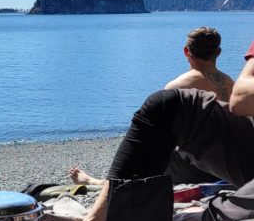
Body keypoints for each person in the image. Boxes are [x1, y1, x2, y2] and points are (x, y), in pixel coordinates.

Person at [63, 39, 254, 221]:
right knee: (166, 107)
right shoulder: (224, 80)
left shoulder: (185, 78)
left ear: (188, 53)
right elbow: (241, 97)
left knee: (198, 208)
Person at [68, 27, 233, 187]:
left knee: (142, 159)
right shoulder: (231, 84)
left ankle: (97, 183)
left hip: (198, 166)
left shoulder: (177, 88)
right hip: (228, 165)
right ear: (218, 52)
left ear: (186, 51)